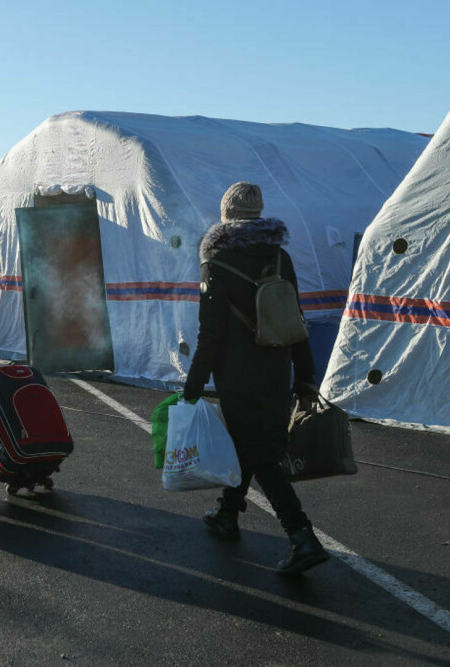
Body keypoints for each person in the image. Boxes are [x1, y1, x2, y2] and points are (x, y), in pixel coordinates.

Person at [183, 182, 329, 576]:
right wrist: (306, 376)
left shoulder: (216, 259)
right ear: (259, 214)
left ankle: (301, 537)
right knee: (250, 444)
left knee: (262, 455)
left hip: (238, 375)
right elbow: (295, 320)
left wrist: (193, 385)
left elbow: (210, 333)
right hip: (277, 368)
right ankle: (228, 513)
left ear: (226, 214)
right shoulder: (279, 257)